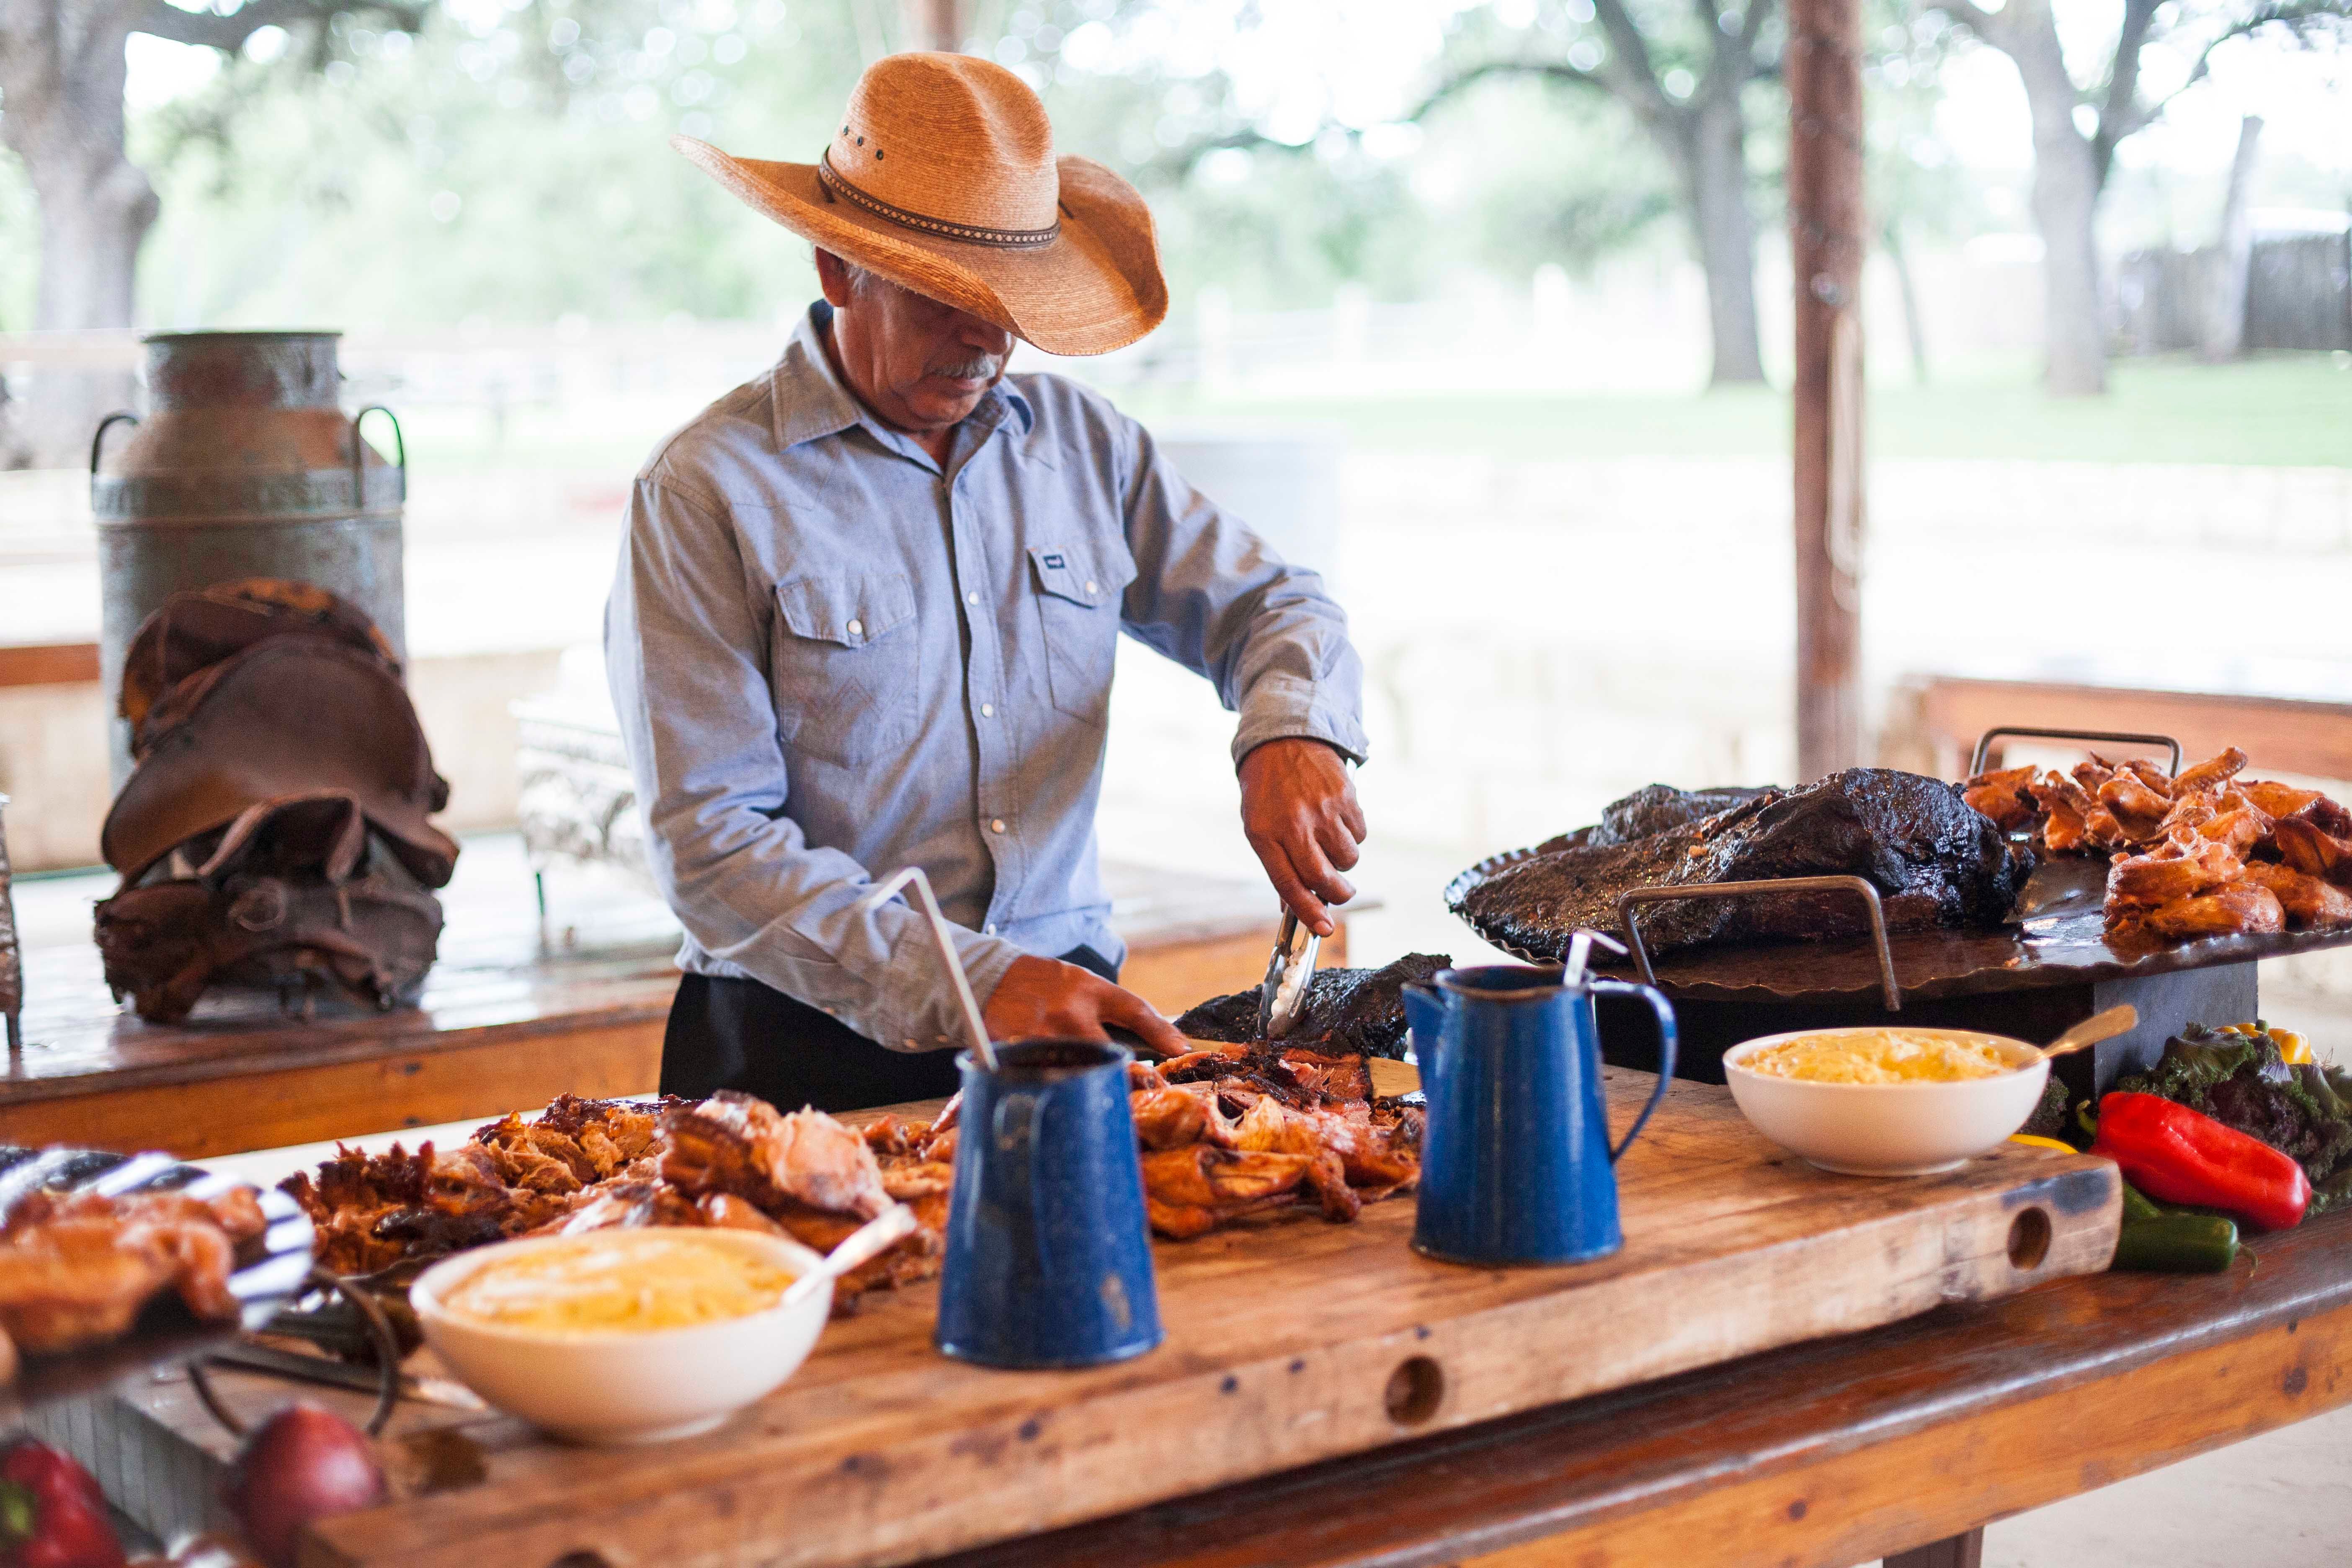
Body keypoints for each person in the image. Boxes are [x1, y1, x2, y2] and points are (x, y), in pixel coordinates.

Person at [606, 51, 1368, 1113]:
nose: (986, 336)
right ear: (838, 271)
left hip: (1066, 1021)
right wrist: (973, 979)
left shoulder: (1086, 449)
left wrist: (1294, 730)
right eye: (941, 298)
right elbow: (712, 850)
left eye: (1008, 299)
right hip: (801, 1057)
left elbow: (1273, 603)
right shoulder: (705, 490)